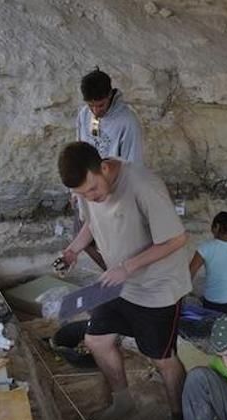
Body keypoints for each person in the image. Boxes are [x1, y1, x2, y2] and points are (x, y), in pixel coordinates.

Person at [57, 142, 190, 420]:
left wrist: (126, 267)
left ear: (103, 167)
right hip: (119, 283)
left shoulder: (143, 185)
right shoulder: (91, 190)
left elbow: (176, 239)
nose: (92, 197)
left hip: (157, 288)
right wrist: (73, 251)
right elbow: (92, 221)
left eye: (93, 190)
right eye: (83, 195)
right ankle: (122, 401)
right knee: (96, 339)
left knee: (161, 358)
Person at [71, 68, 145, 269]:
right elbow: (78, 149)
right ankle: (112, 272)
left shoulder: (127, 122)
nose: (96, 111)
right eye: (91, 105)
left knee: (113, 244)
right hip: (88, 190)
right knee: (82, 236)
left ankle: (118, 274)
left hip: (113, 192)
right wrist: (75, 190)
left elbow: (133, 164)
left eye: (101, 105)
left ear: (110, 95)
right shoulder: (84, 114)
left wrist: (126, 201)